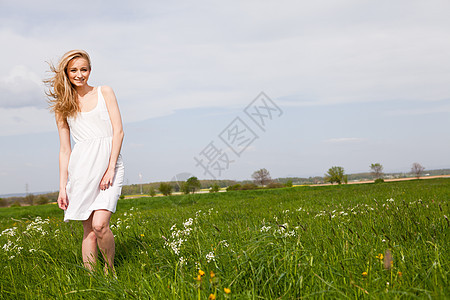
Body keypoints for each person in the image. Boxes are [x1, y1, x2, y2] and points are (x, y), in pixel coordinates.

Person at [45, 50, 125, 274]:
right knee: (89, 231)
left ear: (90, 70)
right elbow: (64, 149)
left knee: (100, 225)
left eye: (84, 69)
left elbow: (118, 132)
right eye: (74, 70)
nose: (80, 74)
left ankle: (110, 273)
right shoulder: (63, 106)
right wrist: (63, 187)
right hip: (82, 170)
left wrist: (110, 168)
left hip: (109, 166)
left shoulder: (105, 92)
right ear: (67, 74)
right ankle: (93, 281)